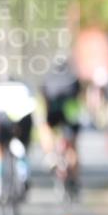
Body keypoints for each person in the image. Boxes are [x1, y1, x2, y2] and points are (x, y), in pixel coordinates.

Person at [0, 79, 38, 204]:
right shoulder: (24, 87)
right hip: (22, 117)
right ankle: (24, 177)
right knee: (22, 146)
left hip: (3, 118)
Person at [38, 60, 83, 195]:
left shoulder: (48, 78)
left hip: (54, 113)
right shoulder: (74, 79)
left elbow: (44, 98)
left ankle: (50, 154)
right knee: (73, 147)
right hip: (70, 114)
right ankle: (74, 179)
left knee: (44, 129)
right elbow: (79, 97)